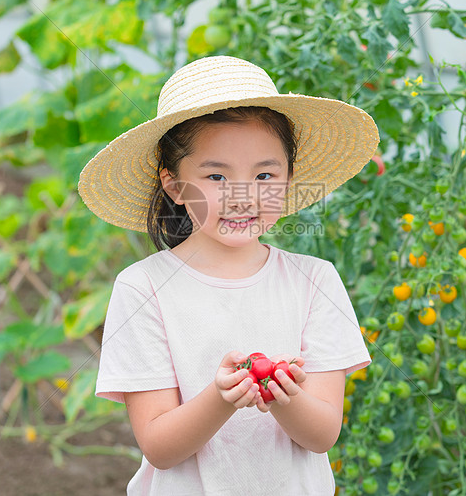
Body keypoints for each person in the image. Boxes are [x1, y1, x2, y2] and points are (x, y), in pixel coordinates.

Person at [78, 55, 379, 495]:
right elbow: (159, 447)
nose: (243, 197)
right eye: (216, 175)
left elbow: (323, 434)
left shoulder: (315, 281)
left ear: (289, 178)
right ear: (174, 185)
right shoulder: (143, 289)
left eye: (264, 174)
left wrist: (283, 395)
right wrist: (220, 400)